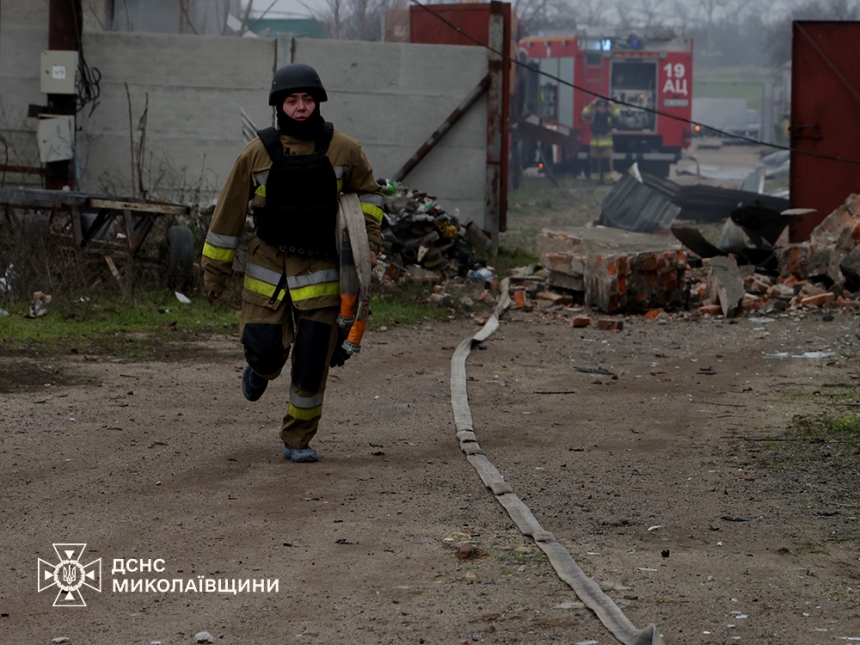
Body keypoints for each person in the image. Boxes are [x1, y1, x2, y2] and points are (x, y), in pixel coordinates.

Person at [201, 63, 384, 463]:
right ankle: (260, 371)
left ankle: (297, 439)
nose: (301, 107)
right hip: (269, 271)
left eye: (307, 99)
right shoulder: (256, 153)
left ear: (317, 102)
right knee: (265, 350)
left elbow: (369, 198)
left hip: (323, 273)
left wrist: (368, 244)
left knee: (313, 361)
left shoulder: (345, 149)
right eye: (291, 100)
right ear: (279, 106)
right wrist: (214, 272)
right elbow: (228, 216)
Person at [581, 97, 621, 184]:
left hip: (607, 145)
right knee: (594, 163)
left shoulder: (609, 115)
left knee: (607, 163)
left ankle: (608, 180)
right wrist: (592, 103)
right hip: (595, 144)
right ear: (597, 107)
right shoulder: (593, 114)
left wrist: (612, 104)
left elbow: (617, 115)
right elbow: (584, 113)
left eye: (603, 106)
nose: (601, 108)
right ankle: (594, 181)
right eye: (599, 106)